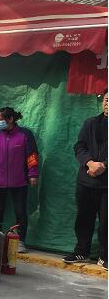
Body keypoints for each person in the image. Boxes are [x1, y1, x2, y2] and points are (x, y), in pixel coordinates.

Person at [0, 107, 39, 252]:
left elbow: (32, 156)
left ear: (11, 119)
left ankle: (20, 241)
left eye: (1, 119)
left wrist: (33, 174)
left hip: (19, 181)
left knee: (20, 210)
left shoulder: (25, 135)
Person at [65, 91, 107, 267]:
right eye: (106, 99)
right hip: (86, 180)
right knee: (84, 218)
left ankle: (105, 256)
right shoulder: (90, 123)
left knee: (106, 221)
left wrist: (104, 165)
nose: (107, 103)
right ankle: (82, 251)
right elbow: (79, 146)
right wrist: (90, 163)